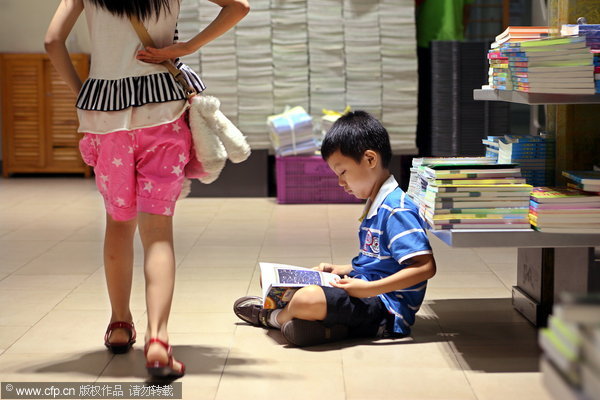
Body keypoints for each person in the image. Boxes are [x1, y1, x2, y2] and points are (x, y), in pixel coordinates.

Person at [45, 0, 249, 379]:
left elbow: (52, 40)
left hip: (105, 116)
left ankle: (120, 325)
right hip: (163, 112)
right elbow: (238, 6)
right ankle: (158, 340)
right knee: (157, 234)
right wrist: (184, 48)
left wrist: (82, 92)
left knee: (118, 225)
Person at [233, 111, 437, 347]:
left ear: (370, 159)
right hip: (363, 288)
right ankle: (321, 326)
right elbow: (381, 261)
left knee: (307, 298)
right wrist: (342, 269)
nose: (340, 182)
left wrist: (367, 288)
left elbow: (425, 267)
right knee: (270, 277)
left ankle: (272, 317)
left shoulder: (396, 210)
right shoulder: (378, 202)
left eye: (343, 172)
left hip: (385, 309)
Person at [415, 0, 473, 156]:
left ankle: (425, 154)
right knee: (449, 104)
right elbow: (467, 10)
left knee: (425, 104)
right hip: (453, 39)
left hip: (426, 38)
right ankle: (445, 154)